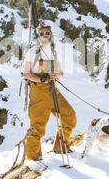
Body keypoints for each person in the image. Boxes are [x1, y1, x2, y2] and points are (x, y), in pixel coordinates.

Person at [22, 23, 77, 169]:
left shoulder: (53, 51)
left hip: (52, 90)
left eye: (47, 33)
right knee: (37, 125)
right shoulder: (32, 52)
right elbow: (26, 73)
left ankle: (60, 146)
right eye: (41, 34)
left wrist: (56, 74)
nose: (45, 35)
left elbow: (60, 73)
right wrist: (41, 79)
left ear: (50, 35)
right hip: (38, 92)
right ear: (38, 36)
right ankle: (33, 158)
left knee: (69, 115)